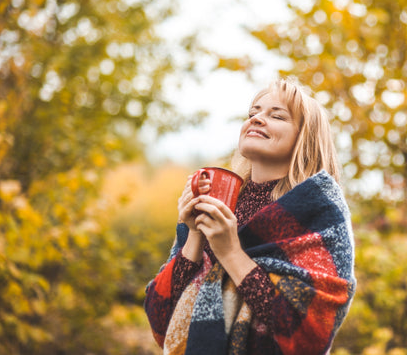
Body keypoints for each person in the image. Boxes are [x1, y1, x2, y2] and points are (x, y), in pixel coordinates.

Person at [144, 78, 356, 354]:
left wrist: (231, 252)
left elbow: (308, 337)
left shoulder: (319, 211)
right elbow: (160, 320)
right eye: (253, 113)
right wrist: (194, 234)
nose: (257, 119)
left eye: (276, 115)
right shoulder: (220, 203)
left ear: (305, 136)